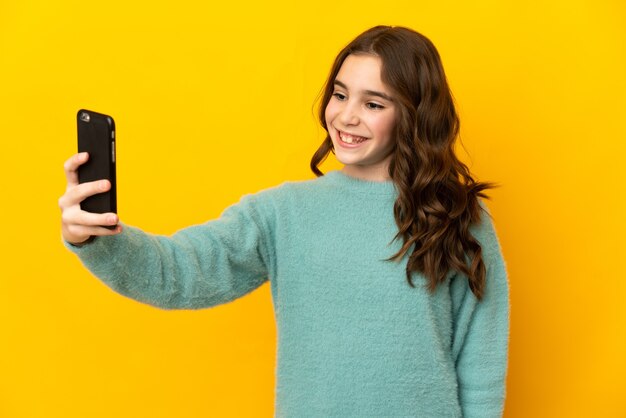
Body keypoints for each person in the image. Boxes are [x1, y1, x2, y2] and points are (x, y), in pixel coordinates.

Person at [59, 25, 509, 417]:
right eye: (339, 93)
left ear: (413, 115)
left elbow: (481, 361)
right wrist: (97, 238)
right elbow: (179, 273)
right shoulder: (282, 214)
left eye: (374, 104)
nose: (345, 116)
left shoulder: (456, 217)